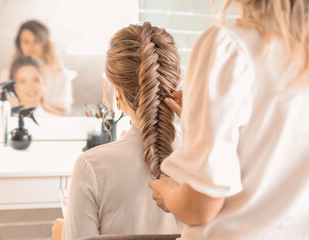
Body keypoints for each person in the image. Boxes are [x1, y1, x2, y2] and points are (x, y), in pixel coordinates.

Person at [149, 0, 309, 239]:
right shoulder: (298, 57)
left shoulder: (231, 47)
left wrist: (168, 192)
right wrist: (203, 120)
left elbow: (200, 208)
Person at [51, 22, 184, 240]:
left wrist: (61, 236)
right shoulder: (207, 161)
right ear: (173, 84)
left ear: (117, 93)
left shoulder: (90, 167)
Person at [0, 20, 77, 116]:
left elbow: (63, 112)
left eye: (36, 41)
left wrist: (41, 108)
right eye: (26, 41)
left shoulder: (59, 73)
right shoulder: (7, 73)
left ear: (45, 43)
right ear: (19, 44)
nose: (31, 46)